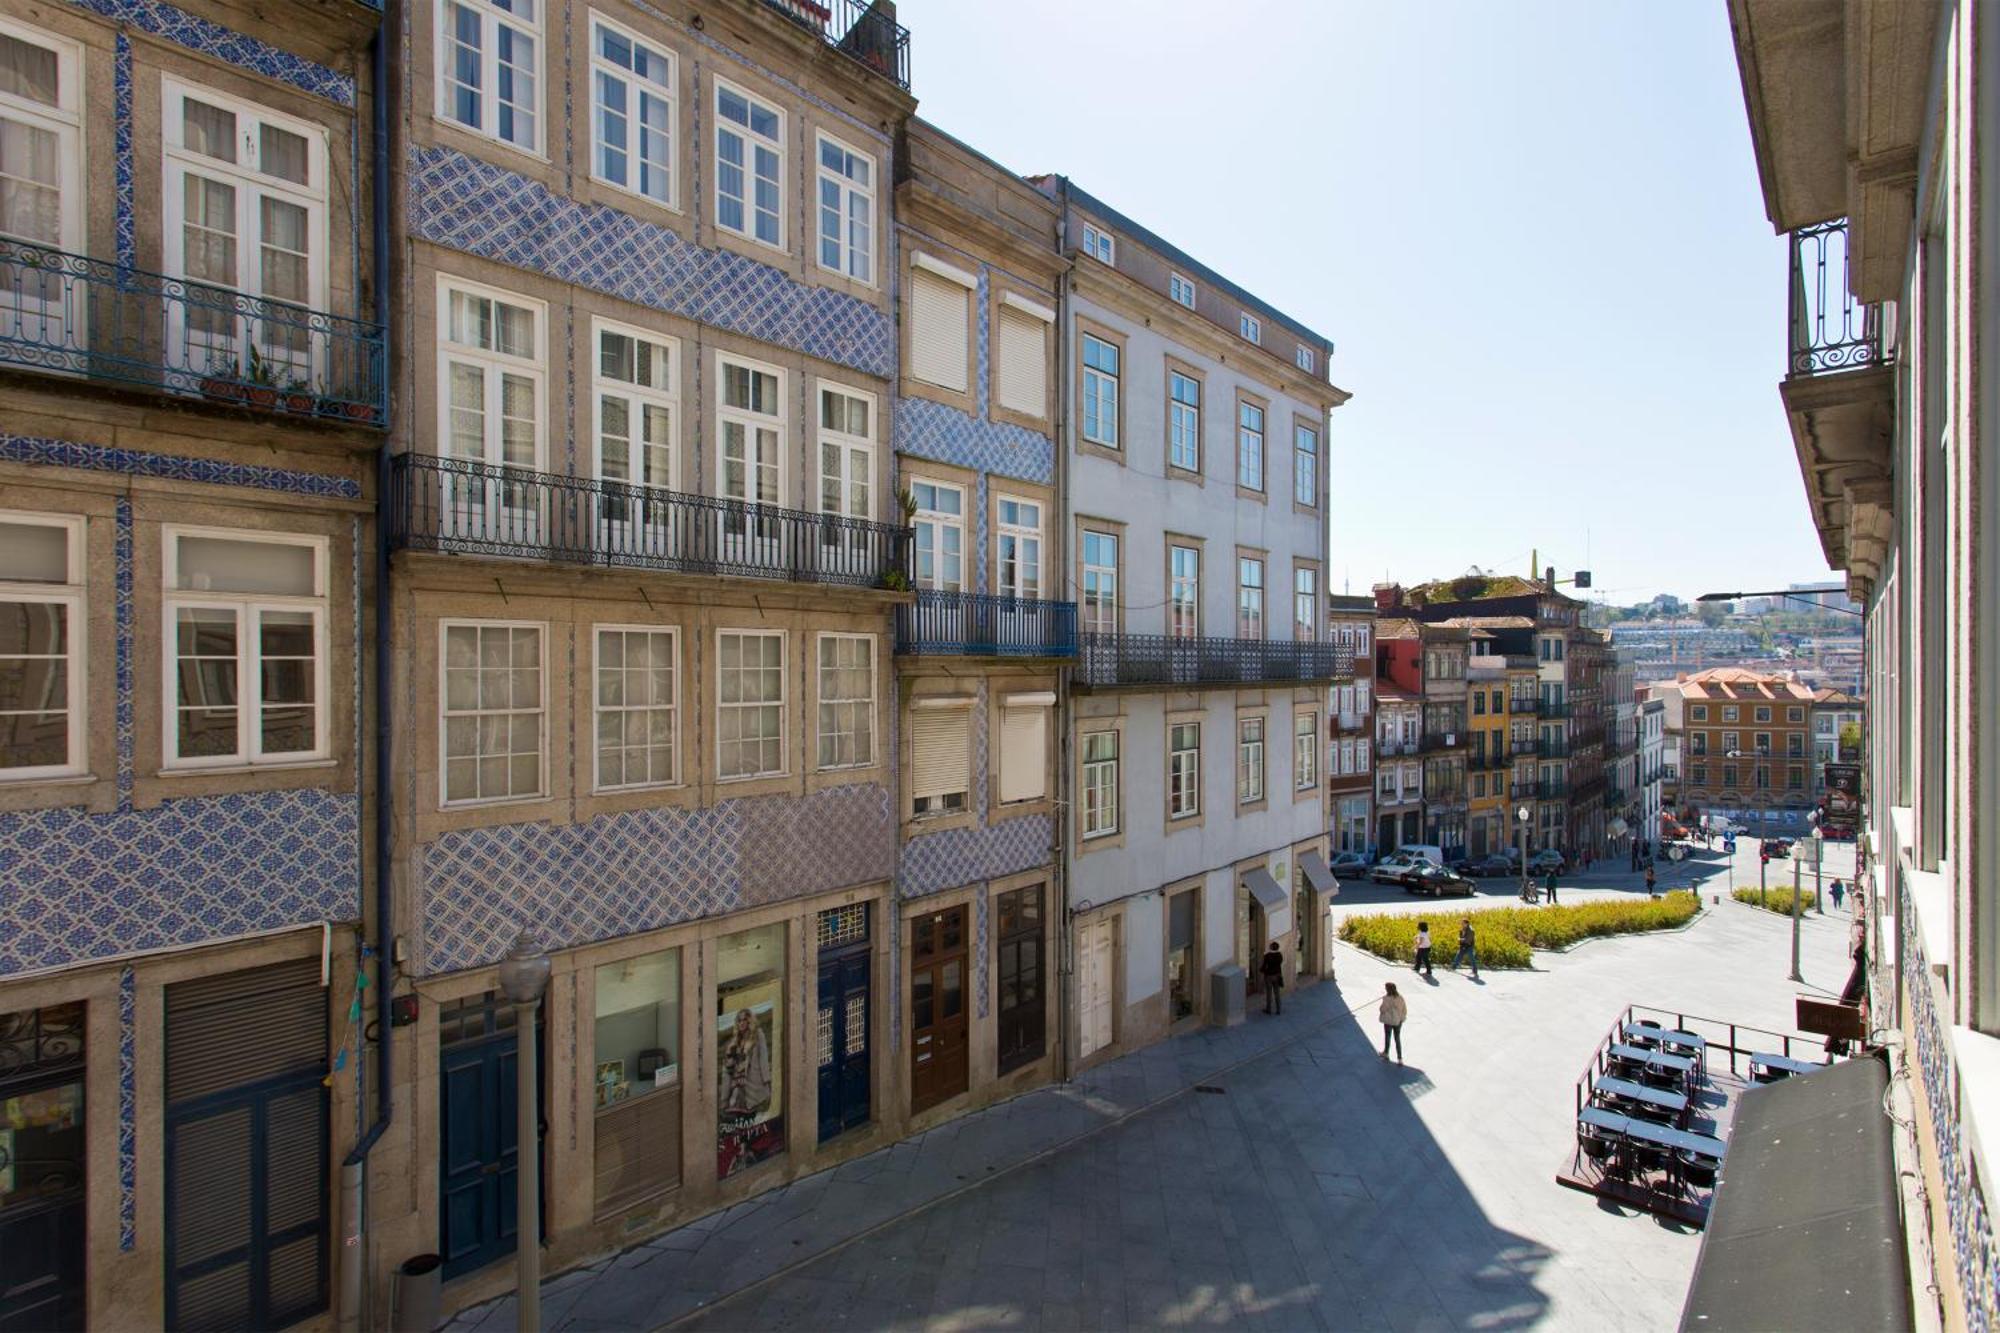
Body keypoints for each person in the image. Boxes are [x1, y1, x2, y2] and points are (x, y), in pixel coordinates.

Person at [1380, 982, 1407, 1062]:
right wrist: (1401, 1019)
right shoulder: (1400, 998)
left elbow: (1382, 1009)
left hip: (1388, 1021)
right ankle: (1400, 1058)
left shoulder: (1386, 998)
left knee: (1387, 1037)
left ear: (1388, 989)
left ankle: (1386, 1053)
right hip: (1398, 1021)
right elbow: (1404, 1010)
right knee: (1397, 1038)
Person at [1260, 939, 1285, 1015]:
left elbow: (1264, 966)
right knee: (1277, 993)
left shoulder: (1267, 956)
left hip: (1269, 976)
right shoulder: (1279, 955)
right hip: (1277, 975)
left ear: (1271, 947)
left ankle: (1269, 1009)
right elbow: (1280, 963)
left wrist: (1261, 970)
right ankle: (1278, 1010)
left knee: (1269, 993)